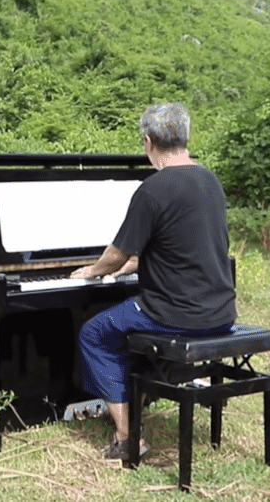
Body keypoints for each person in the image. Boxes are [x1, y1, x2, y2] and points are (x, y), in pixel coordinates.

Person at [69, 102, 236, 460]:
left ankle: (128, 437)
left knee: (94, 334)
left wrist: (94, 271)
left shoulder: (153, 189)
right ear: (185, 137)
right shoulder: (210, 181)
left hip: (174, 314)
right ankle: (132, 403)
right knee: (127, 332)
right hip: (221, 312)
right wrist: (137, 265)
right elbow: (185, 243)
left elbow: (114, 254)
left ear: (148, 141)